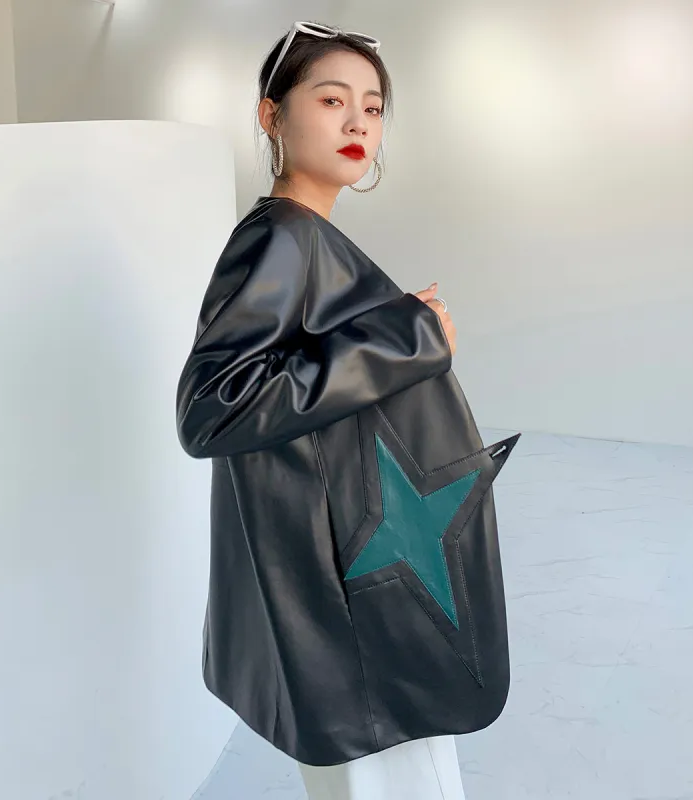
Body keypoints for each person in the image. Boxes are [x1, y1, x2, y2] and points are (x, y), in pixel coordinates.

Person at [175, 21, 520, 800]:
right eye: (332, 100)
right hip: (350, 586)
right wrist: (408, 336)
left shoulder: (307, 240)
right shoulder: (279, 243)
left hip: (357, 565)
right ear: (271, 115)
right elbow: (215, 406)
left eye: (372, 106)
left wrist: (396, 331)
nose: (358, 121)